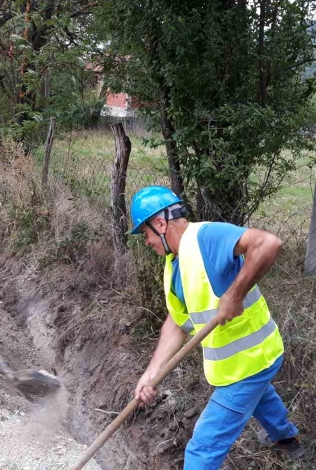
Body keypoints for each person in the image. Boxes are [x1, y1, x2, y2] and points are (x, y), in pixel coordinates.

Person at [129, 186, 303, 468]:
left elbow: (268, 243)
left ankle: (285, 438)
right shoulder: (174, 264)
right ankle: (287, 440)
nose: (146, 241)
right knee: (261, 398)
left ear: (160, 223)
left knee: (202, 450)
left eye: (145, 233)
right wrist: (151, 373)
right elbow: (176, 323)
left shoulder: (206, 238)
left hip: (251, 360)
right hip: (239, 365)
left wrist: (234, 294)